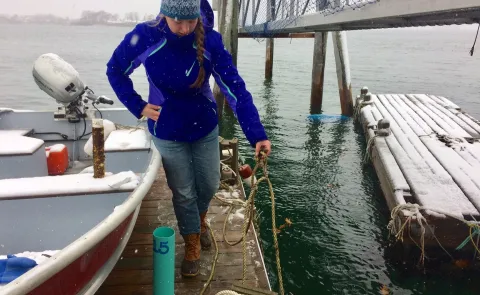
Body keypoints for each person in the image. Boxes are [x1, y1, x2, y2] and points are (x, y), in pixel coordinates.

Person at [105, 0, 271, 277]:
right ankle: (192, 241)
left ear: (198, 16)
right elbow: (115, 70)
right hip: (167, 129)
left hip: (204, 126)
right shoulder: (145, 36)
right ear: (164, 15)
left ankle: (200, 220)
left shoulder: (211, 42)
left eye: (190, 22)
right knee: (183, 191)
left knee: (208, 184)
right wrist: (138, 105)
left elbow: (235, 89)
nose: (184, 29)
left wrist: (257, 134)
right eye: (177, 22)